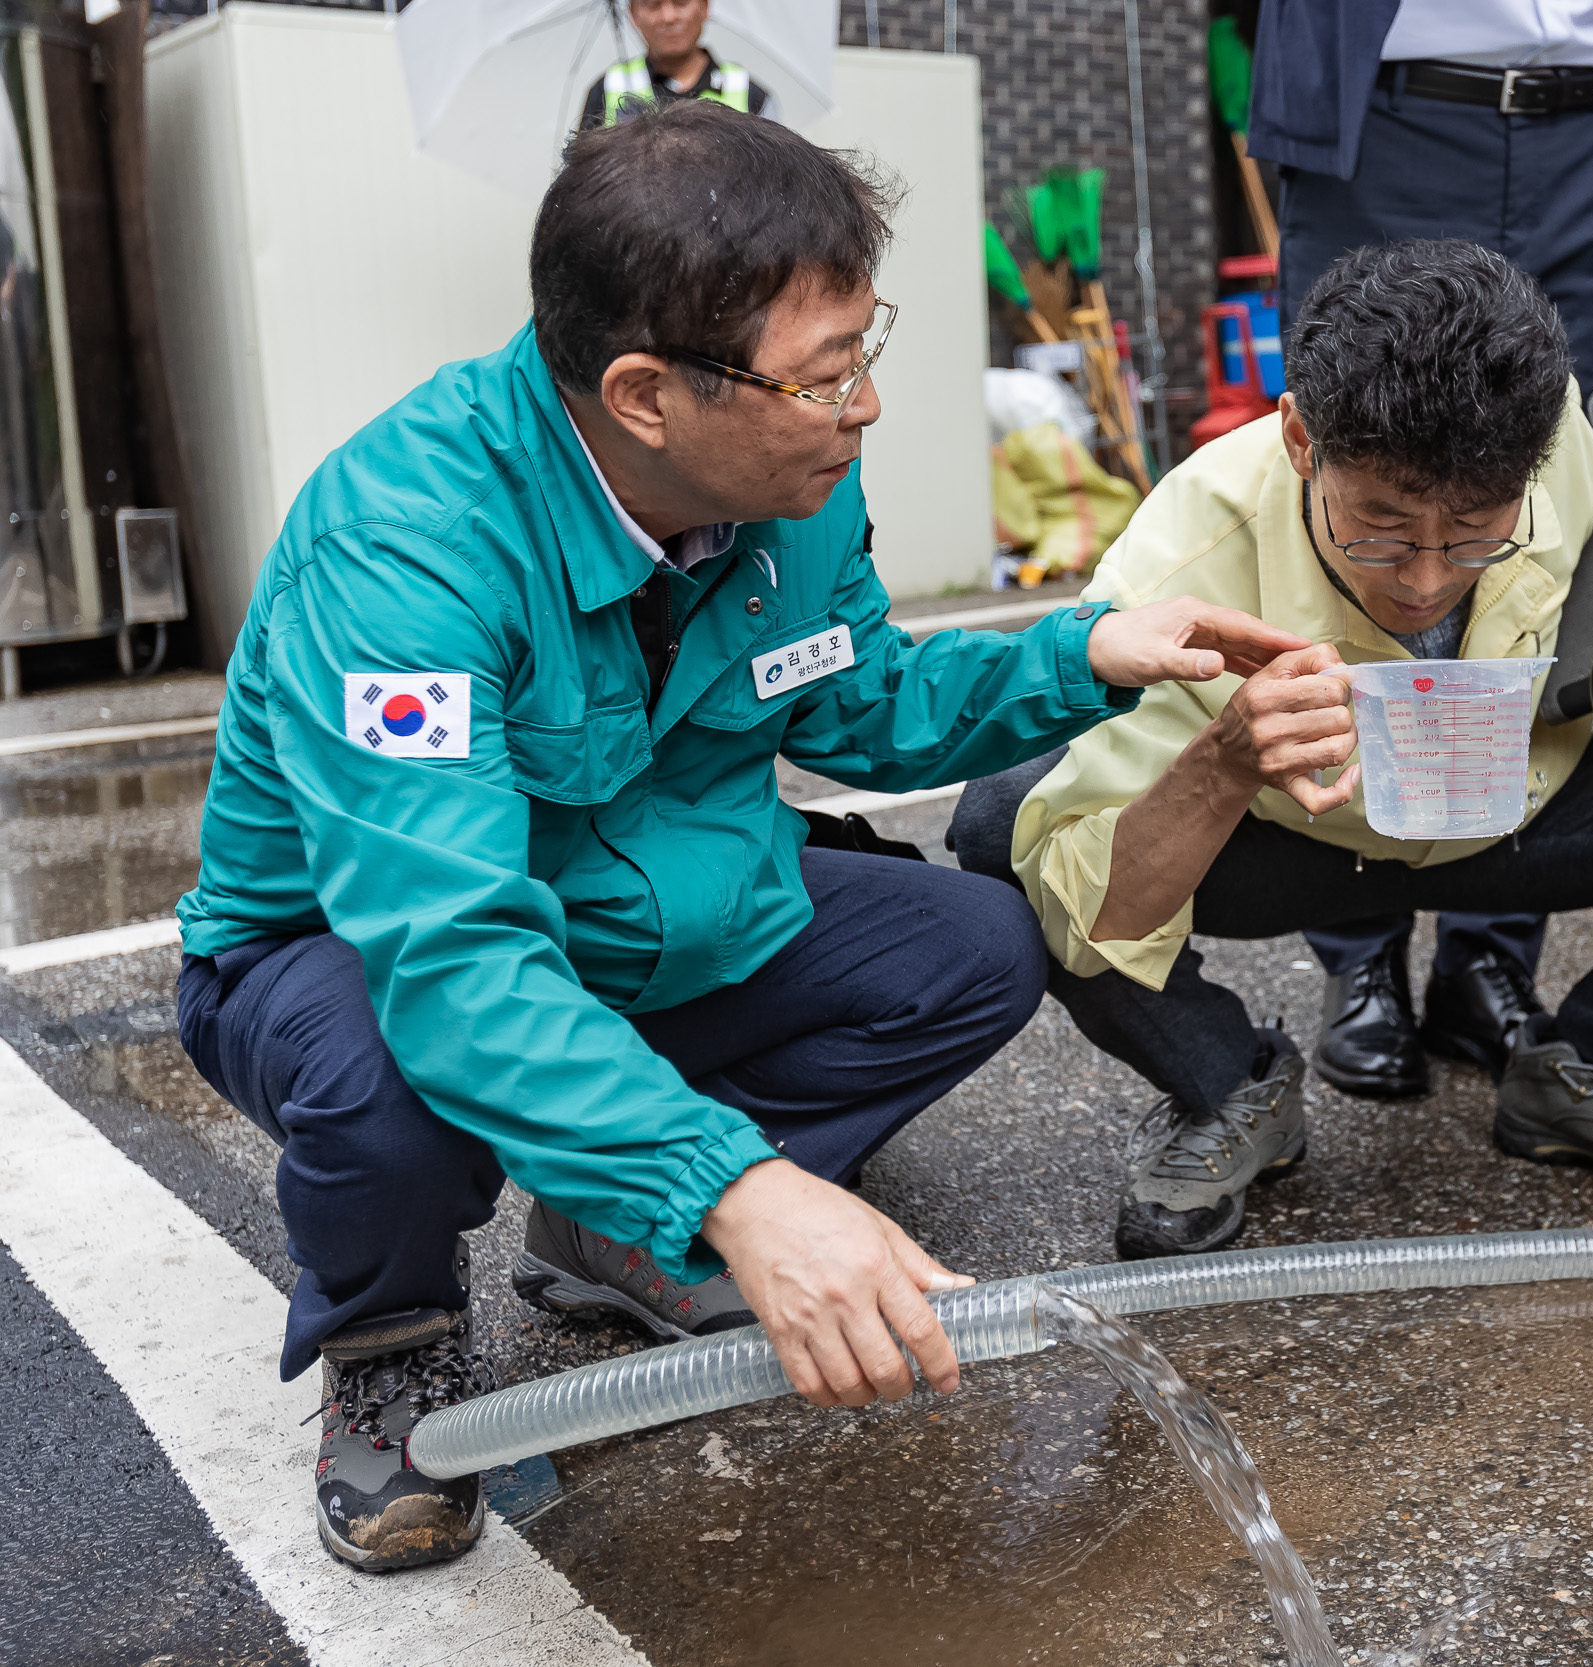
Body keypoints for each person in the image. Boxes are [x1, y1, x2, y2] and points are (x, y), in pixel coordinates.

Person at [172, 103, 1297, 1574]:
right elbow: (448, 949)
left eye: (864, 352)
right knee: (394, 1059)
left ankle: (616, 1228)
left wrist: (1086, 654)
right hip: (345, 942)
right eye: (828, 376)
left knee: (971, 948)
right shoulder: (403, 551)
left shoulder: (787, 477)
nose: (866, 407)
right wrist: (744, 1184)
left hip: (626, 902)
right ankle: (396, 1334)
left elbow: (863, 705)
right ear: (646, 393)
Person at [952, 240, 1593, 1260]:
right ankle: (1227, 1085)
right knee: (1007, 821)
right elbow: (1094, 912)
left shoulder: (1553, 432)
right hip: (1290, 836)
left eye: (1475, 534)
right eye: (1380, 527)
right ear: (1300, 437)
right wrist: (1226, 761)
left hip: (1516, 801)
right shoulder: (1174, 567)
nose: (1427, 579)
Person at [1246, 0, 1593, 1102]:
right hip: (1379, 115)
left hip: (1588, 123)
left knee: (1546, 520)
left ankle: (1489, 952)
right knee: (1365, 514)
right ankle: (1360, 945)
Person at [579, 0, 775, 130]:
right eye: (653, 5)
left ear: (704, 7)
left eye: (681, 2)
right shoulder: (608, 89)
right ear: (633, 14)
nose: (668, 17)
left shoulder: (750, 94)